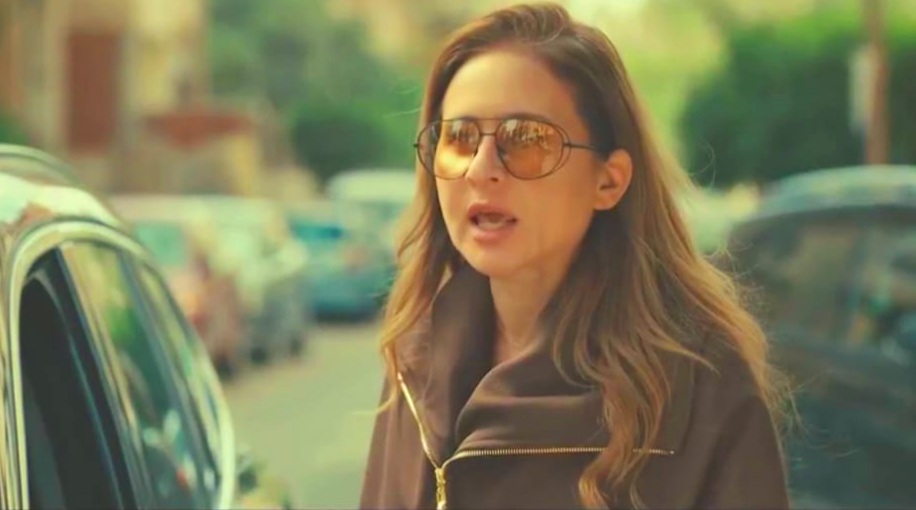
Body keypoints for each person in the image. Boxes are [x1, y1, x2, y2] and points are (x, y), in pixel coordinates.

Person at [359, 3, 790, 509]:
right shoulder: (416, 355)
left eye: (526, 139)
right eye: (459, 138)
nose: (480, 169)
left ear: (609, 181)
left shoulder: (697, 383)